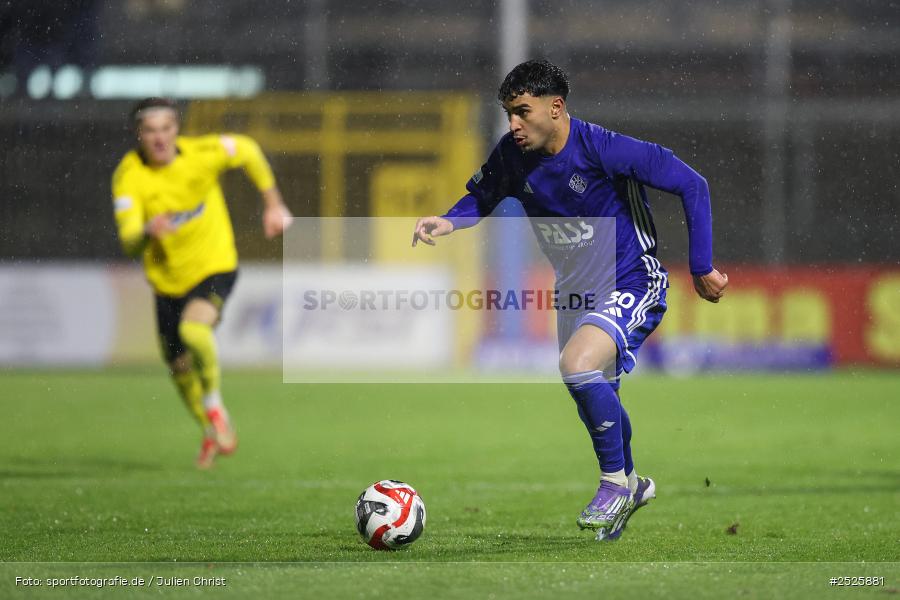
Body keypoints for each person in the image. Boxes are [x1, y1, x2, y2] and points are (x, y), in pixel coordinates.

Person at [412, 60, 728, 540]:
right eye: (508, 114)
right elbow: (484, 196)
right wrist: (448, 220)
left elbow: (692, 184)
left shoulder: (603, 148)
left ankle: (616, 484)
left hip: (631, 281)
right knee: (595, 394)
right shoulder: (512, 155)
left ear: (555, 107)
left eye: (522, 111)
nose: (513, 124)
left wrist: (701, 266)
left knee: (576, 365)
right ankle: (633, 485)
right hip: (576, 293)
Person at [111, 97, 293, 469]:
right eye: (150, 131)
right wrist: (146, 231)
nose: (160, 138)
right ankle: (211, 431)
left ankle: (215, 408)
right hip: (166, 283)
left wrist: (272, 202)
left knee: (194, 331)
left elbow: (249, 150)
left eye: (166, 129)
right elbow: (129, 240)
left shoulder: (203, 152)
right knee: (178, 369)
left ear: (176, 128)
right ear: (138, 134)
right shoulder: (128, 176)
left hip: (215, 266)